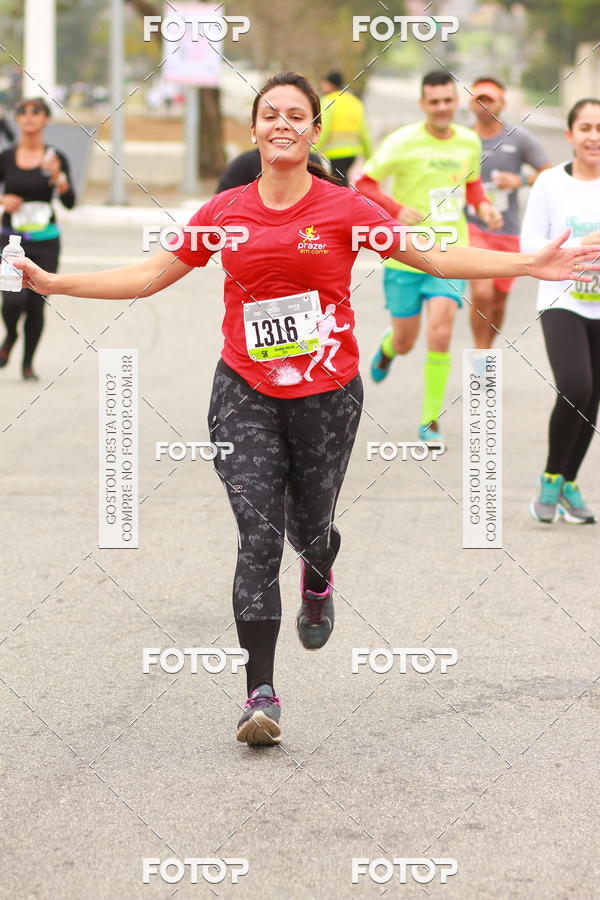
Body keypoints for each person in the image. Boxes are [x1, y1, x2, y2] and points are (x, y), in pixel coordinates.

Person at [13, 72, 599, 745]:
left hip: (327, 394)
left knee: (311, 527)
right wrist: (55, 282)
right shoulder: (225, 213)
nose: (283, 123)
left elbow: (432, 255)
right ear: (256, 128)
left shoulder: (344, 209)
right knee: (260, 536)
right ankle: (260, 692)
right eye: (271, 114)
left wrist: (526, 264)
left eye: (297, 114)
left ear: (315, 130)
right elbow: (149, 276)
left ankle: (319, 570)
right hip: (244, 391)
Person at [355, 70, 503, 444]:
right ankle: (390, 347)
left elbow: (472, 187)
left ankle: (430, 419)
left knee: (441, 331)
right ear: (423, 105)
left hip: (449, 253)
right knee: (407, 340)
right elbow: (364, 183)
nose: (441, 108)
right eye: (433, 102)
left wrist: (484, 208)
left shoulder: (469, 142)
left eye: (447, 101)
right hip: (405, 256)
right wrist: (394, 206)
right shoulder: (402, 142)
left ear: (455, 102)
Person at [522, 98, 600, 525]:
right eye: (586, 127)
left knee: (593, 397)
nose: (594, 136)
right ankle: (551, 477)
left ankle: (568, 484)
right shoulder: (551, 183)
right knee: (575, 384)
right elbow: (529, 243)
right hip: (562, 299)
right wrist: (577, 250)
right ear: (570, 135)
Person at [467, 77, 551, 348]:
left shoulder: (519, 138)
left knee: (498, 300)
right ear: (471, 103)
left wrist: (520, 180)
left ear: (502, 103)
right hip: (473, 225)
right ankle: (480, 357)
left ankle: (486, 351)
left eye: (489, 99)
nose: (484, 105)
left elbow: (549, 173)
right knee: (481, 292)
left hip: (508, 228)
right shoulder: (463, 139)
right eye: (479, 99)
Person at [0, 97, 75, 380]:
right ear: (17, 120)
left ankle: (28, 364)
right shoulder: (6, 157)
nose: (29, 117)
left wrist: (59, 178)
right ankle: (9, 337)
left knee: (35, 303)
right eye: (23, 112)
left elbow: (69, 201)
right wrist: (3, 200)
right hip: (10, 240)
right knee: (12, 300)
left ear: (46, 119)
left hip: (46, 242)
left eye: (36, 112)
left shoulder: (54, 157)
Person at [315, 71, 372, 186]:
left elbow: (323, 129)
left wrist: (311, 149)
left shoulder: (327, 101)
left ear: (329, 84)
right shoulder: (355, 102)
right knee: (341, 180)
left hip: (335, 152)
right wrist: (369, 155)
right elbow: (364, 131)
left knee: (337, 183)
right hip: (352, 153)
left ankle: (343, 202)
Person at [216, 147, 323, 193]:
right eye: (270, 117)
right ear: (253, 129)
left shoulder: (313, 160)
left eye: (296, 117)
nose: (282, 125)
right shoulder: (244, 162)